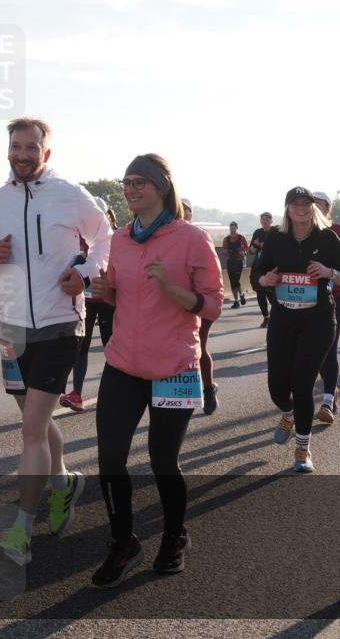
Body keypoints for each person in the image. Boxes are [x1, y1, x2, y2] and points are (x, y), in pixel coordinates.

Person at [0, 117, 112, 566]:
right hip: (12, 329)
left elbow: (105, 238)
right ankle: (63, 482)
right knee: (35, 418)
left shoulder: (70, 195)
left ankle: (20, 533)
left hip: (59, 324)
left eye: (31, 147)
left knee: (31, 428)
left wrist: (85, 274)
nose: (22, 154)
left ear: (45, 153)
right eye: (16, 146)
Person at [90, 155, 223, 588]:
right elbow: (119, 298)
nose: (130, 189)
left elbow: (213, 305)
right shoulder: (119, 239)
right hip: (123, 363)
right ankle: (123, 542)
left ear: (162, 186)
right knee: (110, 458)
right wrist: (104, 292)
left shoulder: (191, 238)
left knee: (163, 460)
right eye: (126, 182)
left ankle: (173, 535)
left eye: (139, 182)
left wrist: (171, 289)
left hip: (175, 366)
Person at [258, 187, 340, 473]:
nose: (301, 208)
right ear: (287, 208)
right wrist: (266, 279)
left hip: (318, 322)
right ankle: (288, 413)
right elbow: (257, 273)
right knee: (277, 388)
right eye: (295, 203)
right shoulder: (276, 236)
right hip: (283, 321)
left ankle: (302, 448)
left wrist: (329, 273)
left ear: (313, 208)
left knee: (302, 385)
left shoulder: (327, 237)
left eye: (306, 203)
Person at [60, 197, 117, 413]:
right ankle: (76, 394)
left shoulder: (116, 236)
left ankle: (115, 393)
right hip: (87, 300)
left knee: (111, 347)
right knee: (80, 348)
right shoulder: (77, 237)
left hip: (109, 299)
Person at [314, 192, 340, 421]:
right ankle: (332, 387)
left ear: (328, 208)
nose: (315, 208)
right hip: (311, 298)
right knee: (317, 349)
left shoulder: (338, 230)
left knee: (330, 346)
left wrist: (335, 273)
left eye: (320, 204)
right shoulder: (303, 231)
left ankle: (327, 400)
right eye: (313, 204)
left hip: (337, 295)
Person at [182, 198, 219, 414]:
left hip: (199, 302)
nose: (181, 213)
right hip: (175, 303)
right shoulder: (164, 238)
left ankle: (208, 388)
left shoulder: (198, 235)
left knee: (199, 347)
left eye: (185, 210)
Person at [248, 212, 276, 328]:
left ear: (271, 221)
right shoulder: (257, 232)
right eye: (262, 219)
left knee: (271, 295)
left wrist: (264, 246)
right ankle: (266, 317)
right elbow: (251, 251)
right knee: (260, 293)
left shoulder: (276, 231)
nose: (264, 221)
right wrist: (256, 245)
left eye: (267, 219)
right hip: (259, 267)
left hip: (272, 267)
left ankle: (276, 317)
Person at [223, 222, 248, 309]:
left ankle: (239, 297)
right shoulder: (226, 239)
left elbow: (246, 249)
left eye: (234, 228)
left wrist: (242, 252)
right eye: (231, 228)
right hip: (230, 262)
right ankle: (237, 299)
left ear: (237, 228)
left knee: (236, 280)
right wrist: (227, 254)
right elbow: (224, 250)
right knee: (232, 281)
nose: (232, 230)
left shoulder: (241, 238)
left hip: (239, 261)